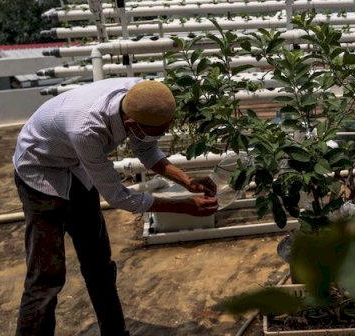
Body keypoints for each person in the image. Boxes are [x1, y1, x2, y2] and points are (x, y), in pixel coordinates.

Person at [12, 77, 217, 336]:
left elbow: (148, 151)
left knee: (99, 265)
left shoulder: (143, 96)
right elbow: (119, 197)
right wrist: (184, 207)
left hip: (75, 168)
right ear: (132, 124)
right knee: (46, 277)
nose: (162, 135)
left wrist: (188, 182)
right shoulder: (87, 130)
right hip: (40, 171)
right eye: (158, 131)